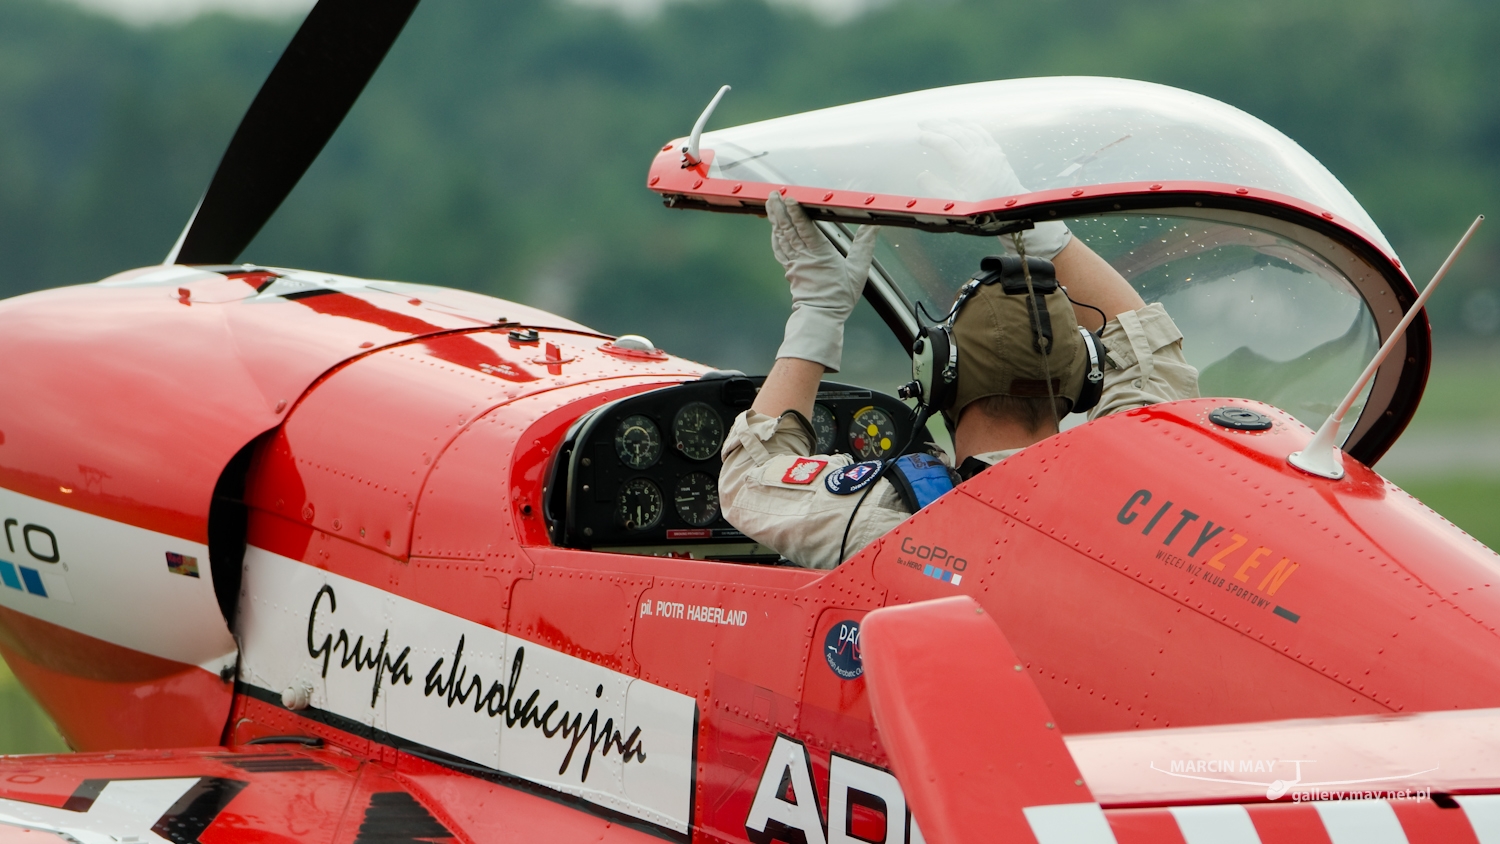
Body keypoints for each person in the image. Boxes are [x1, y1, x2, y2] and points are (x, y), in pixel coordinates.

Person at [718, 128, 1199, 570]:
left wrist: (817, 312)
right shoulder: (1136, 496)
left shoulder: (892, 516)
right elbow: (1147, 352)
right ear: (1085, 373)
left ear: (940, 371)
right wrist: (1038, 229)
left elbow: (749, 479)